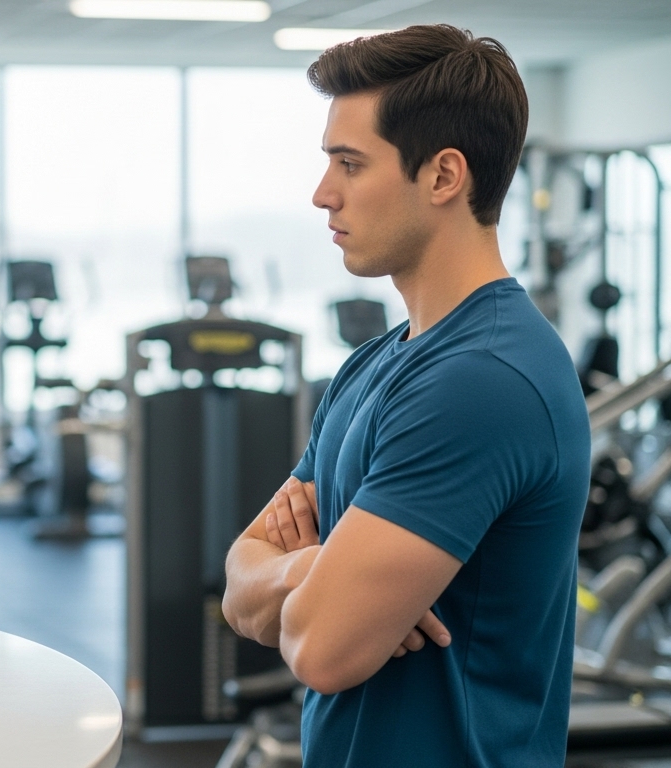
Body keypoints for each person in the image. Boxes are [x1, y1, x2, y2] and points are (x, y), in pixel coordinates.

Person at [221, 24, 590, 767]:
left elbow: (320, 651)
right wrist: (313, 570)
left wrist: (311, 580)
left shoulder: (483, 380)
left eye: (350, 164)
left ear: (444, 176)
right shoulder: (373, 365)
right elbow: (240, 586)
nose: (323, 193)